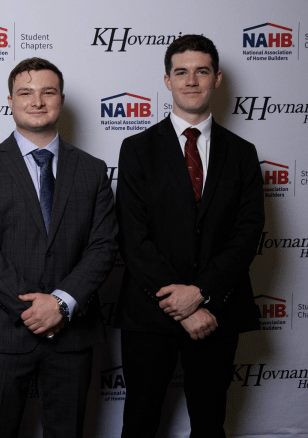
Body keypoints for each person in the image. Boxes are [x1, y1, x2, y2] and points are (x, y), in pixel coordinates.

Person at [115, 34, 265, 437]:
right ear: (168, 81)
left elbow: (247, 235)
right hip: (150, 312)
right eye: (181, 72)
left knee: (210, 422)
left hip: (218, 311)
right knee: (141, 421)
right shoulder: (136, 149)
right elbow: (133, 236)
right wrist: (180, 302)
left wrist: (202, 293)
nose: (192, 81)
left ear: (217, 79)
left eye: (202, 71)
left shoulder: (243, 153)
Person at [0, 57, 118, 438]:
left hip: (72, 335)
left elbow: (103, 246)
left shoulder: (93, 169)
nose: (37, 101)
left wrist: (61, 302)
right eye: (25, 93)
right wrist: (33, 308)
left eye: (47, 92)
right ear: (10, 102)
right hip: (3, 332)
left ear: (61, 100)